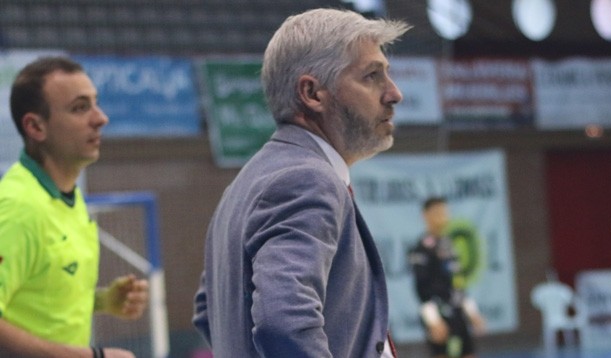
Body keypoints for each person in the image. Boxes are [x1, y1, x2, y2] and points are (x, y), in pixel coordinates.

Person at [192, 8, 411, 357]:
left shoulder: (245, 184)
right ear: (312, 93)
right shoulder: (306, 179)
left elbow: (209, 311)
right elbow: (283, 322)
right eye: (372, 76)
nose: (394, 93)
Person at [0, 57, 149, 358]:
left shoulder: (67, 196)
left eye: (95, 103)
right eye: (80, 108)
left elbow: (33, 295)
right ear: (35, 126)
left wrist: (101, 301)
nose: (100, 118)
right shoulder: (18, 208)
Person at [408, 197, 487, 358]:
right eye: (437, 212)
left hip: (458, 311)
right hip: (439, 313)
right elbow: (421, 288)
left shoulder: (449, 244)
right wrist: (433, 320)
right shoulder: (422, 248)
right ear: (425, 215)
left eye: (444, 212)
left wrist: (472, 312)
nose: (442, 216)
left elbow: (458, 284)